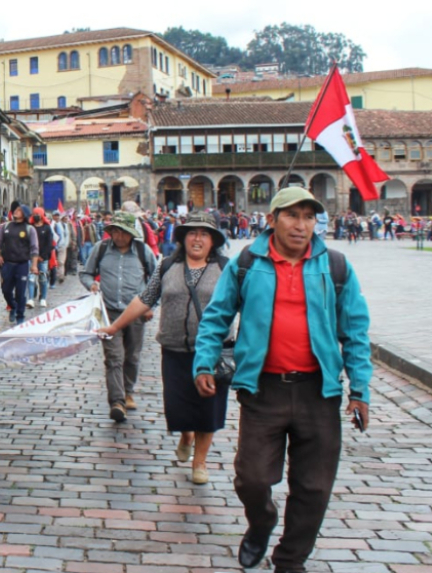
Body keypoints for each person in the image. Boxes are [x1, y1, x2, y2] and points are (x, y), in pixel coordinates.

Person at [193, 187, 372, 573]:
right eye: (292, 215)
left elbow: (355, 330)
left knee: (314, 487)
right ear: (271, 220)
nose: (301, 224)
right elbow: (216, 316)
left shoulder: (335, 266)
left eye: (309, 217)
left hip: (318, 393)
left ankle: (290, 560)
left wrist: (360, 390)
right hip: (263, 390)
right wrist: (204, 363)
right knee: (252, 478)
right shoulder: (247, 263)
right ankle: (262, 522)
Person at [98, 213, 229, 483]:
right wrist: (114, 326)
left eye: (204, 234)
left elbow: (244, 304)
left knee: (208, 409)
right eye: (192, 233)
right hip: (174, 349)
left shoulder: (226, 269)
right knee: (178, 408)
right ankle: (186, 434)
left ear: (213, 240)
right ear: (182, 238)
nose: (197, 238)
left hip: (213, 351)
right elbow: (145, 299)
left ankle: (200, 463)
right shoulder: (168, 266)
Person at [80, 211, 155, 423]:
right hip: (109, 311)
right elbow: (85, 273)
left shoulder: (142, 251)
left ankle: (128, 390)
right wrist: (92, 284)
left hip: (136, 312)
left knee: (132, 356)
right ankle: (117, 401)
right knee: (114, 357)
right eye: (115, 232)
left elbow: (157, 279)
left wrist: (150, 305)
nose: (119, 237)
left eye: (123, 232)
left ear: (132, 234)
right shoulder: (101, 249)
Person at [0, 203, 38, 324]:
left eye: (19, 210)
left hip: (22, 265)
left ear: (24, 214)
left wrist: (33, 265)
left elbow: (34, 249)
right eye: (16, 210)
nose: (15, 211)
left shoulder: (30, 229)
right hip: (7, 264)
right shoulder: (6, 226)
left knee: (20, 291)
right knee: (6, 290)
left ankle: (20, 316)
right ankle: (13, 306)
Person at [27, 207, 54, 309]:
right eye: (34, 214)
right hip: (32, 257)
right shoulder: (30, 227)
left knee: (43, 278)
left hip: (43, 258)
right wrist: (34, 256)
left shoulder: (47, 228)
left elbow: (49, 244)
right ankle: (30, 299)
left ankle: (43, 298)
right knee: (31, 278)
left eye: (38, 214)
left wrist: (42, 256)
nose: (36, 216)